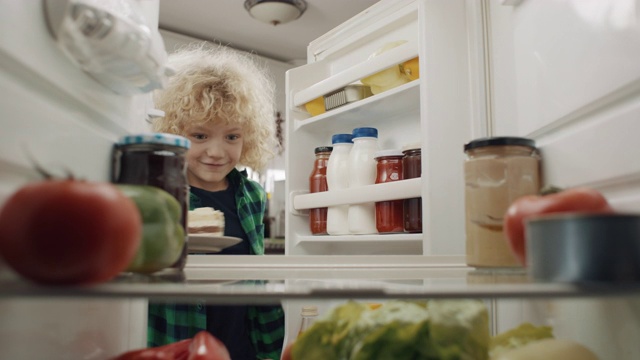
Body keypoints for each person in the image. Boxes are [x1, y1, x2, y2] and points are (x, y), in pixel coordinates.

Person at [147, 43, 284, 360]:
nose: (217, 152)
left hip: (242, 346)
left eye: (232, 136)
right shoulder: (161, 194)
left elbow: (256, 278)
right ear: (172, 130)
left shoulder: (250, 194)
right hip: (178, 343)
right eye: (200, 135)